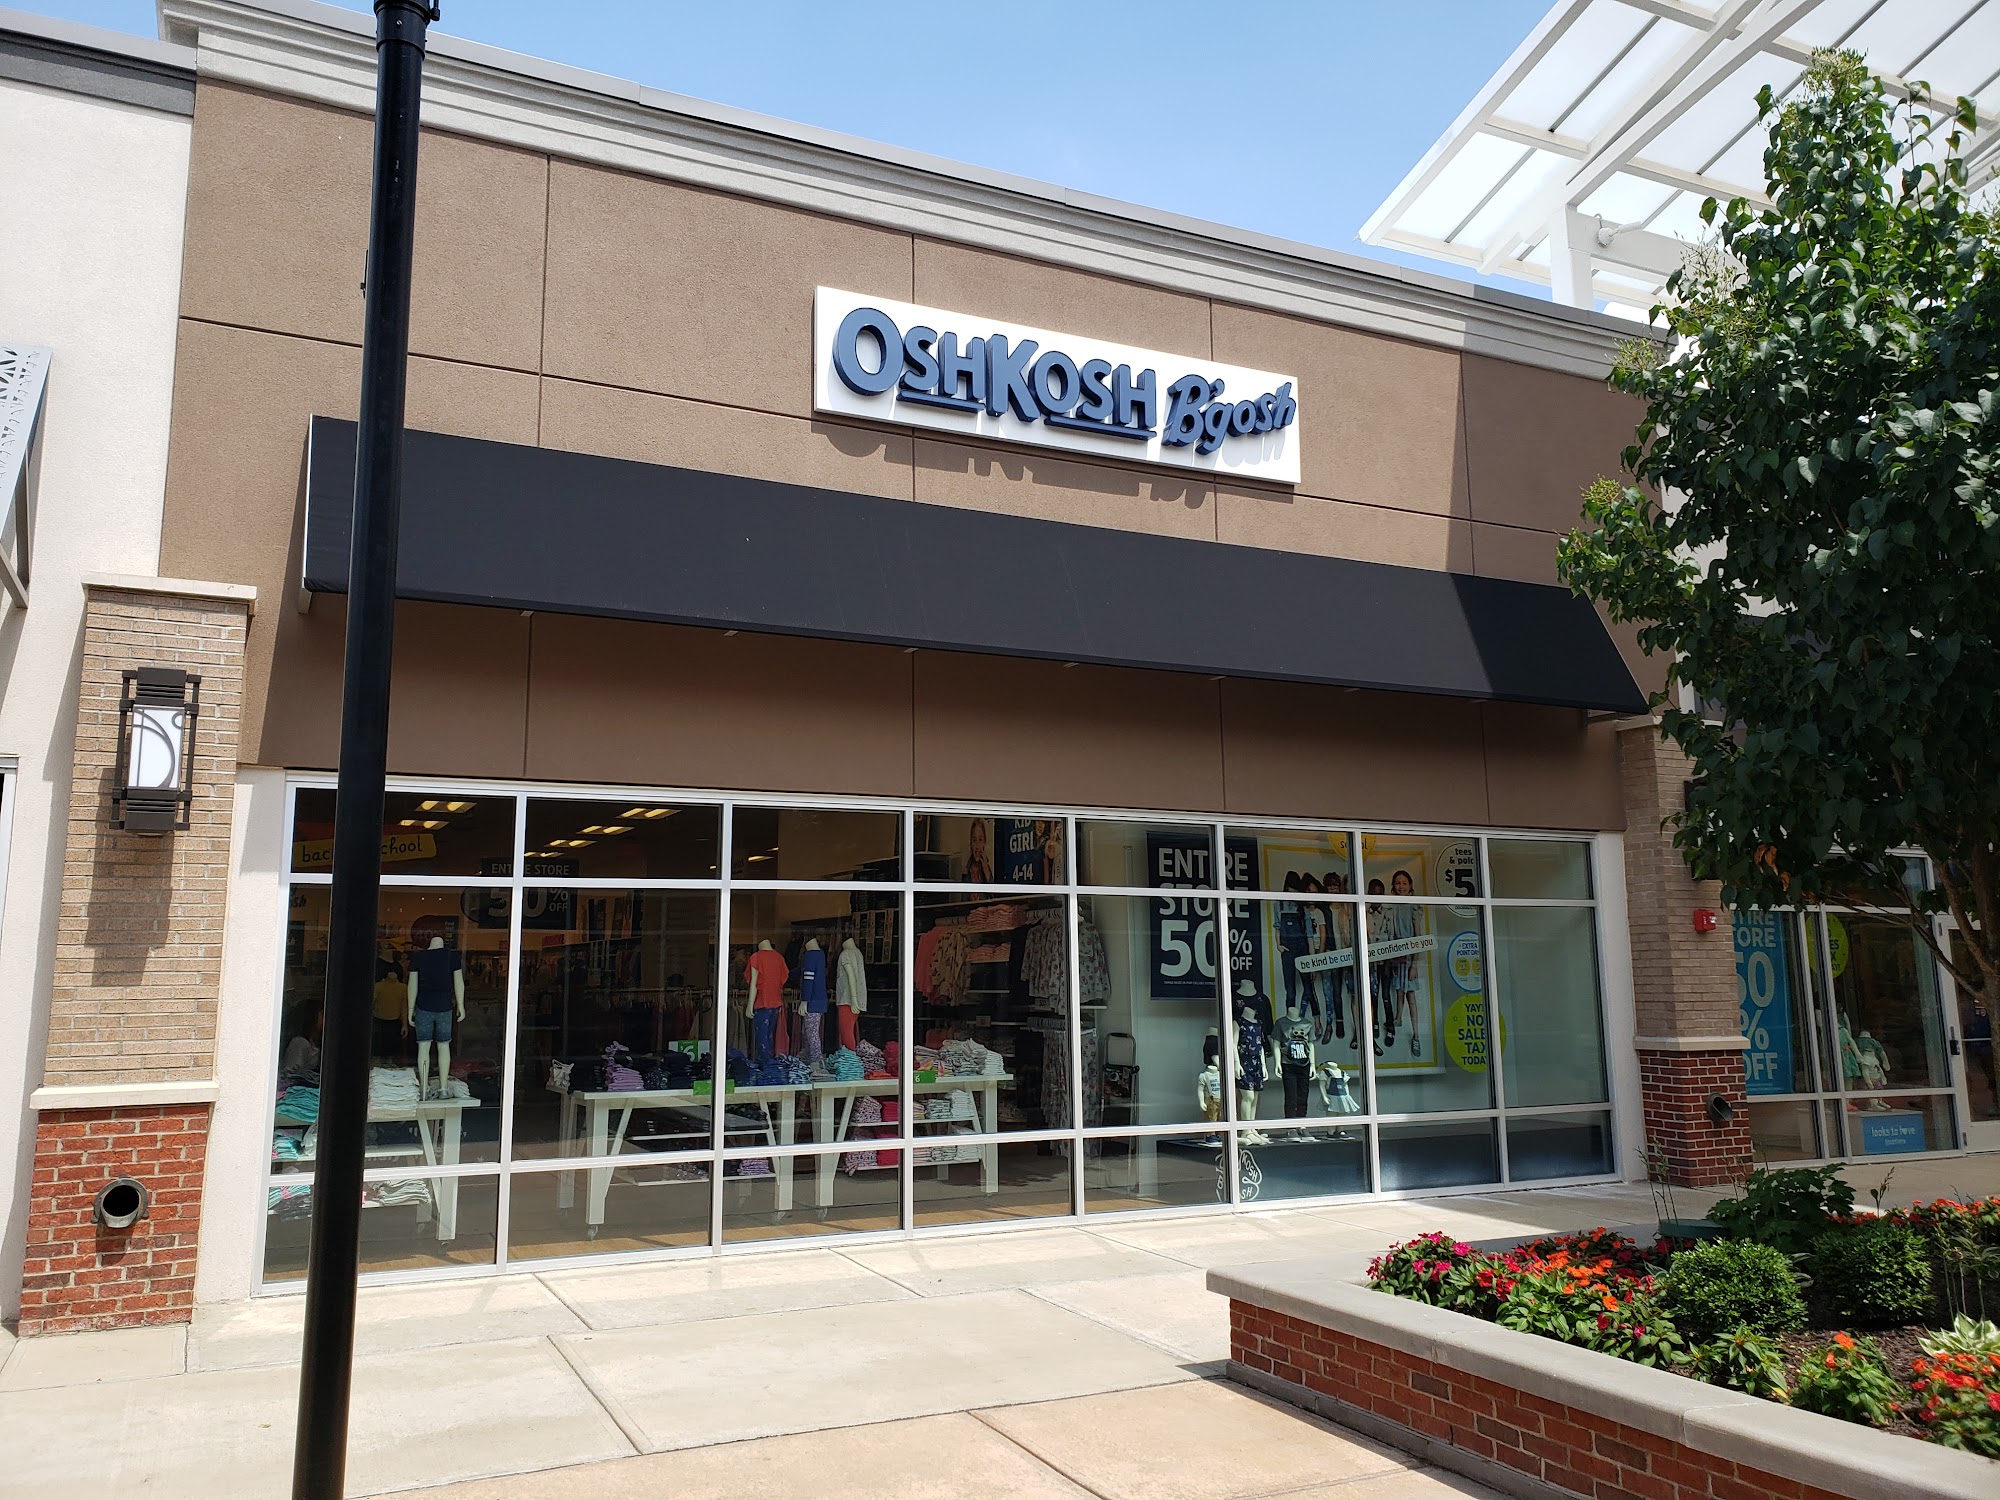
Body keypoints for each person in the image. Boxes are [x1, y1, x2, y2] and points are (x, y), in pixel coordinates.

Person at [963, 818, 992, 883]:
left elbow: (993, 888)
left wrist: (986, 870)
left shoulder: (987, 869)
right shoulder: (965, 870)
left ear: (984, 842)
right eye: (974, 840)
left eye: (980, 840)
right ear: (971, 843)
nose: (977, 846)